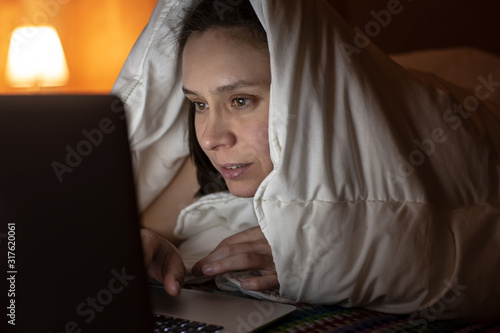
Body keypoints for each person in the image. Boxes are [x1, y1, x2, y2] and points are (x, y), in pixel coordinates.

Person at [112, 0, 500, 320]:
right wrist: (142, 246)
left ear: (305, 94)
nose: (212, 138)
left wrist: (337, 256)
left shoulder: (409, 133)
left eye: (240, 100)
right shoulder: (206, 166)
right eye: (198, 104)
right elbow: (147, 232)